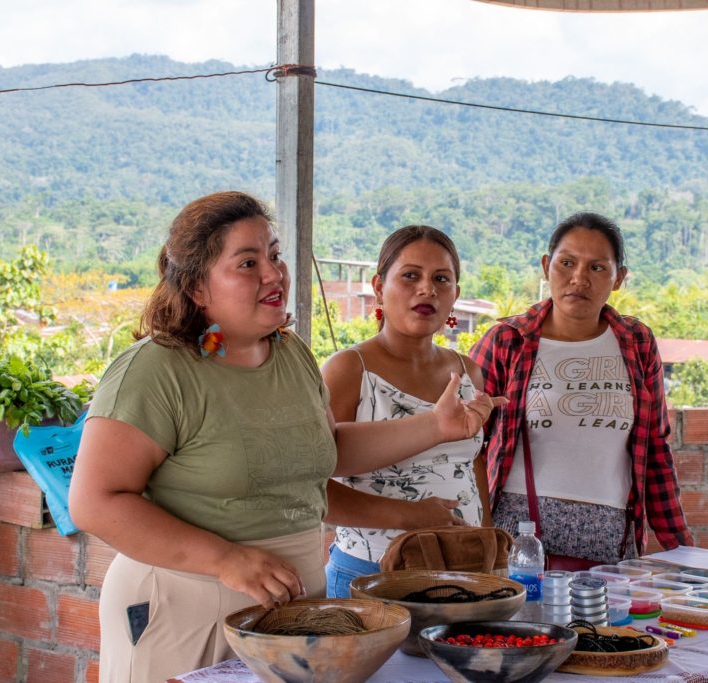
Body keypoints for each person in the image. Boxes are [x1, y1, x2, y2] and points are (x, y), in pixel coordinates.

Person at [69, 193, 503, 683]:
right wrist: (224, 559)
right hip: (183, 605)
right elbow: (95, 501)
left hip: (296, 615)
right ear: (195, 286)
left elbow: (324, 450)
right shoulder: (156, 369)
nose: (274, 274)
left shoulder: (289, 354)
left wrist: (434, 427)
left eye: (274, 256)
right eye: (248, 263)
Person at [471, 212, 693, 571]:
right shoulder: (507, 341)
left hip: (610, 542)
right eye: (567, 263)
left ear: (619, 277)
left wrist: (681, 550)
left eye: (597, 268)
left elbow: (655, 448)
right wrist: (481, 535)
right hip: (516, 539)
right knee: (519, 629)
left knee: (605, 629)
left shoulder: (636, 343)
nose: (579, 279)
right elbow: (464, 444)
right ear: (547, 266)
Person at [322, 226, 494, 598]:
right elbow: (311, 487)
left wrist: (489, 551)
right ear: (378, 287)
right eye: (410, 275)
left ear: (455, 296)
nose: (427, 289)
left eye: (441, 279)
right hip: (371, 574)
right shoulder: (349, 370)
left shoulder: (468, 372)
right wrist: (408, 515)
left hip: (463, 570)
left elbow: (471, 465)